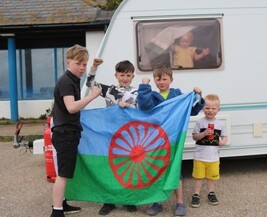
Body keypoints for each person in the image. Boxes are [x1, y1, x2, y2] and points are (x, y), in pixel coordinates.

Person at [137, 65, 205, 216]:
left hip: (174, 140)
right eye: (157, 79)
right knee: (156, 169)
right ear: (154, 80)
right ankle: (156, 202)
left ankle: (180, 202)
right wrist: (144, 85)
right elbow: (143, 105)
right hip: (156, 140)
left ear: (171, 80)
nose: (161, 82)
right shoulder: (153, 96)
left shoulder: (177, 94)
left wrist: (199, 97)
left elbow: (192, 110)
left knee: (175, 171)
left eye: (164, 79)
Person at [50, 44, 102, 217]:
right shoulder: (66, 82)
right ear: (68, 62)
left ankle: (62, 204)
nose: (81, 68)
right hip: (65, 133)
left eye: (84, 64)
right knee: (63, 174)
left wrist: (94, 67)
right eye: (78, 63)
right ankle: (57, 212)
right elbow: (71, 107)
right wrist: (91, 96)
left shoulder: (72, 79)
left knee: (63, 171)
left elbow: (88, 79)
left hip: (66, 132)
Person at [86, 59, 138, 215]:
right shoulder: (109, 90)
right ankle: (108, 201)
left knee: (128, 169)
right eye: (122, 75)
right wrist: (94, 67)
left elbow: (142, 110)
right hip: (110, 136)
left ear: (133, 76)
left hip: (129, 138)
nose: (125, 78)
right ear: (116, 75)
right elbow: (90, 83)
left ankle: (128, 200)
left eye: (128, 75)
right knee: (108, 168)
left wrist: (128, 105)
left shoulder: (137, 92)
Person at [190, 94, 228, 208]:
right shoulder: (199, 122)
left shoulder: (220, 124)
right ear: (203, 109)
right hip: (199, 157)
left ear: (218, 110)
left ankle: (211, 193)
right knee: (198, 177)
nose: (210, 111)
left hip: (213, 157)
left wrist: (223, 142)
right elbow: (194, 137)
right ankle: (196, 194)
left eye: (213, 108)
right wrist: (204, 133)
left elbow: (225, 136)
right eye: (207, 108)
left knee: (212, 177)